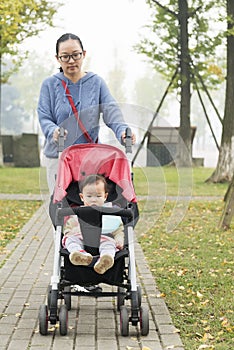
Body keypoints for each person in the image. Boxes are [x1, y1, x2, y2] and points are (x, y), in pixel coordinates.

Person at [37, 33, 136, 194]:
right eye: (65, 56)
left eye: (75, 55)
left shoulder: (96, 83)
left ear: (83, 54)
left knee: (90, 206)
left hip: (88, 157)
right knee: (61, 209)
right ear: (58, 58)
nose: (71, 61)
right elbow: (44, 116)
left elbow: (111, 111)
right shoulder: (49, 85)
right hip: (58, 157)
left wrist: (122, 130)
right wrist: (53, 131)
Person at [62, 174, 124, 274]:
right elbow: (69, 226)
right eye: (89, 196)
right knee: (70, 241)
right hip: (80, 237)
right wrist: (68, 233)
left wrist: (119, 240)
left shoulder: (111, 211)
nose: (94, 199)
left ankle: (105, 260)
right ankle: (79, 254)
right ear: (82, 197)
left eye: (98, 196)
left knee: (110, 245)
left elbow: (118, 229)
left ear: (105, 196)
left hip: (104, 238)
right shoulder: (77, 212)